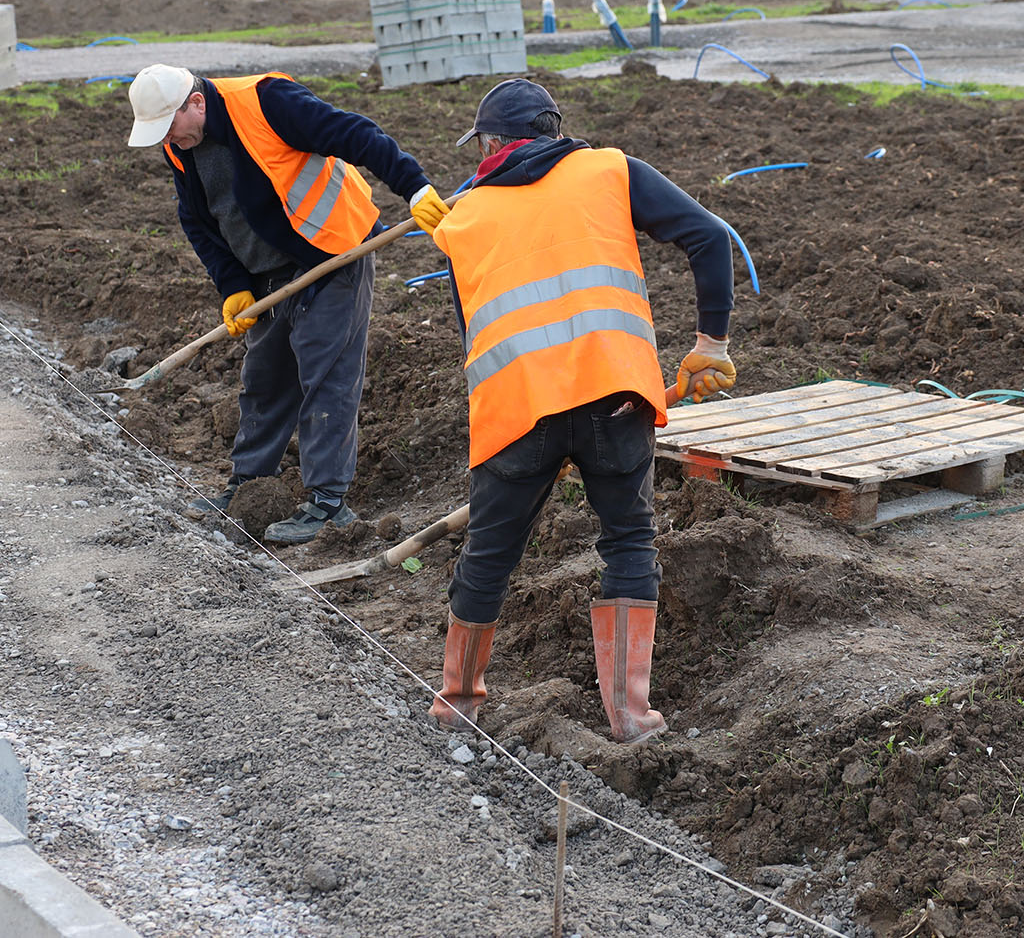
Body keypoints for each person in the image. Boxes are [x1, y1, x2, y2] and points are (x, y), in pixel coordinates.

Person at [424, 79, 737, 743]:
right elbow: (710, 237)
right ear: (554, 130)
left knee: (489, 553)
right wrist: (710, 343)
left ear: (493, 143)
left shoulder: (466, 217)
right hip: (615, 398)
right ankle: (630, 717)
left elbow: (472, 331)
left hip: (519, 409)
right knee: (627, 541)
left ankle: (455, 706)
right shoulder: (611, 170)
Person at [125, 63, 451, 544]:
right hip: (267, 273)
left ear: (195, 103)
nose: (167, 141)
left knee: (325, 374)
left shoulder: (267, 102)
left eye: (169, 127)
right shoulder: (182, 146)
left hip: (333, 251)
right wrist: (232, 284)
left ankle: (327, 502)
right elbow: (198, 222)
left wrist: (415, 185)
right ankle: (247, 485)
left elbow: (354, 133)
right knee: (265, 375)